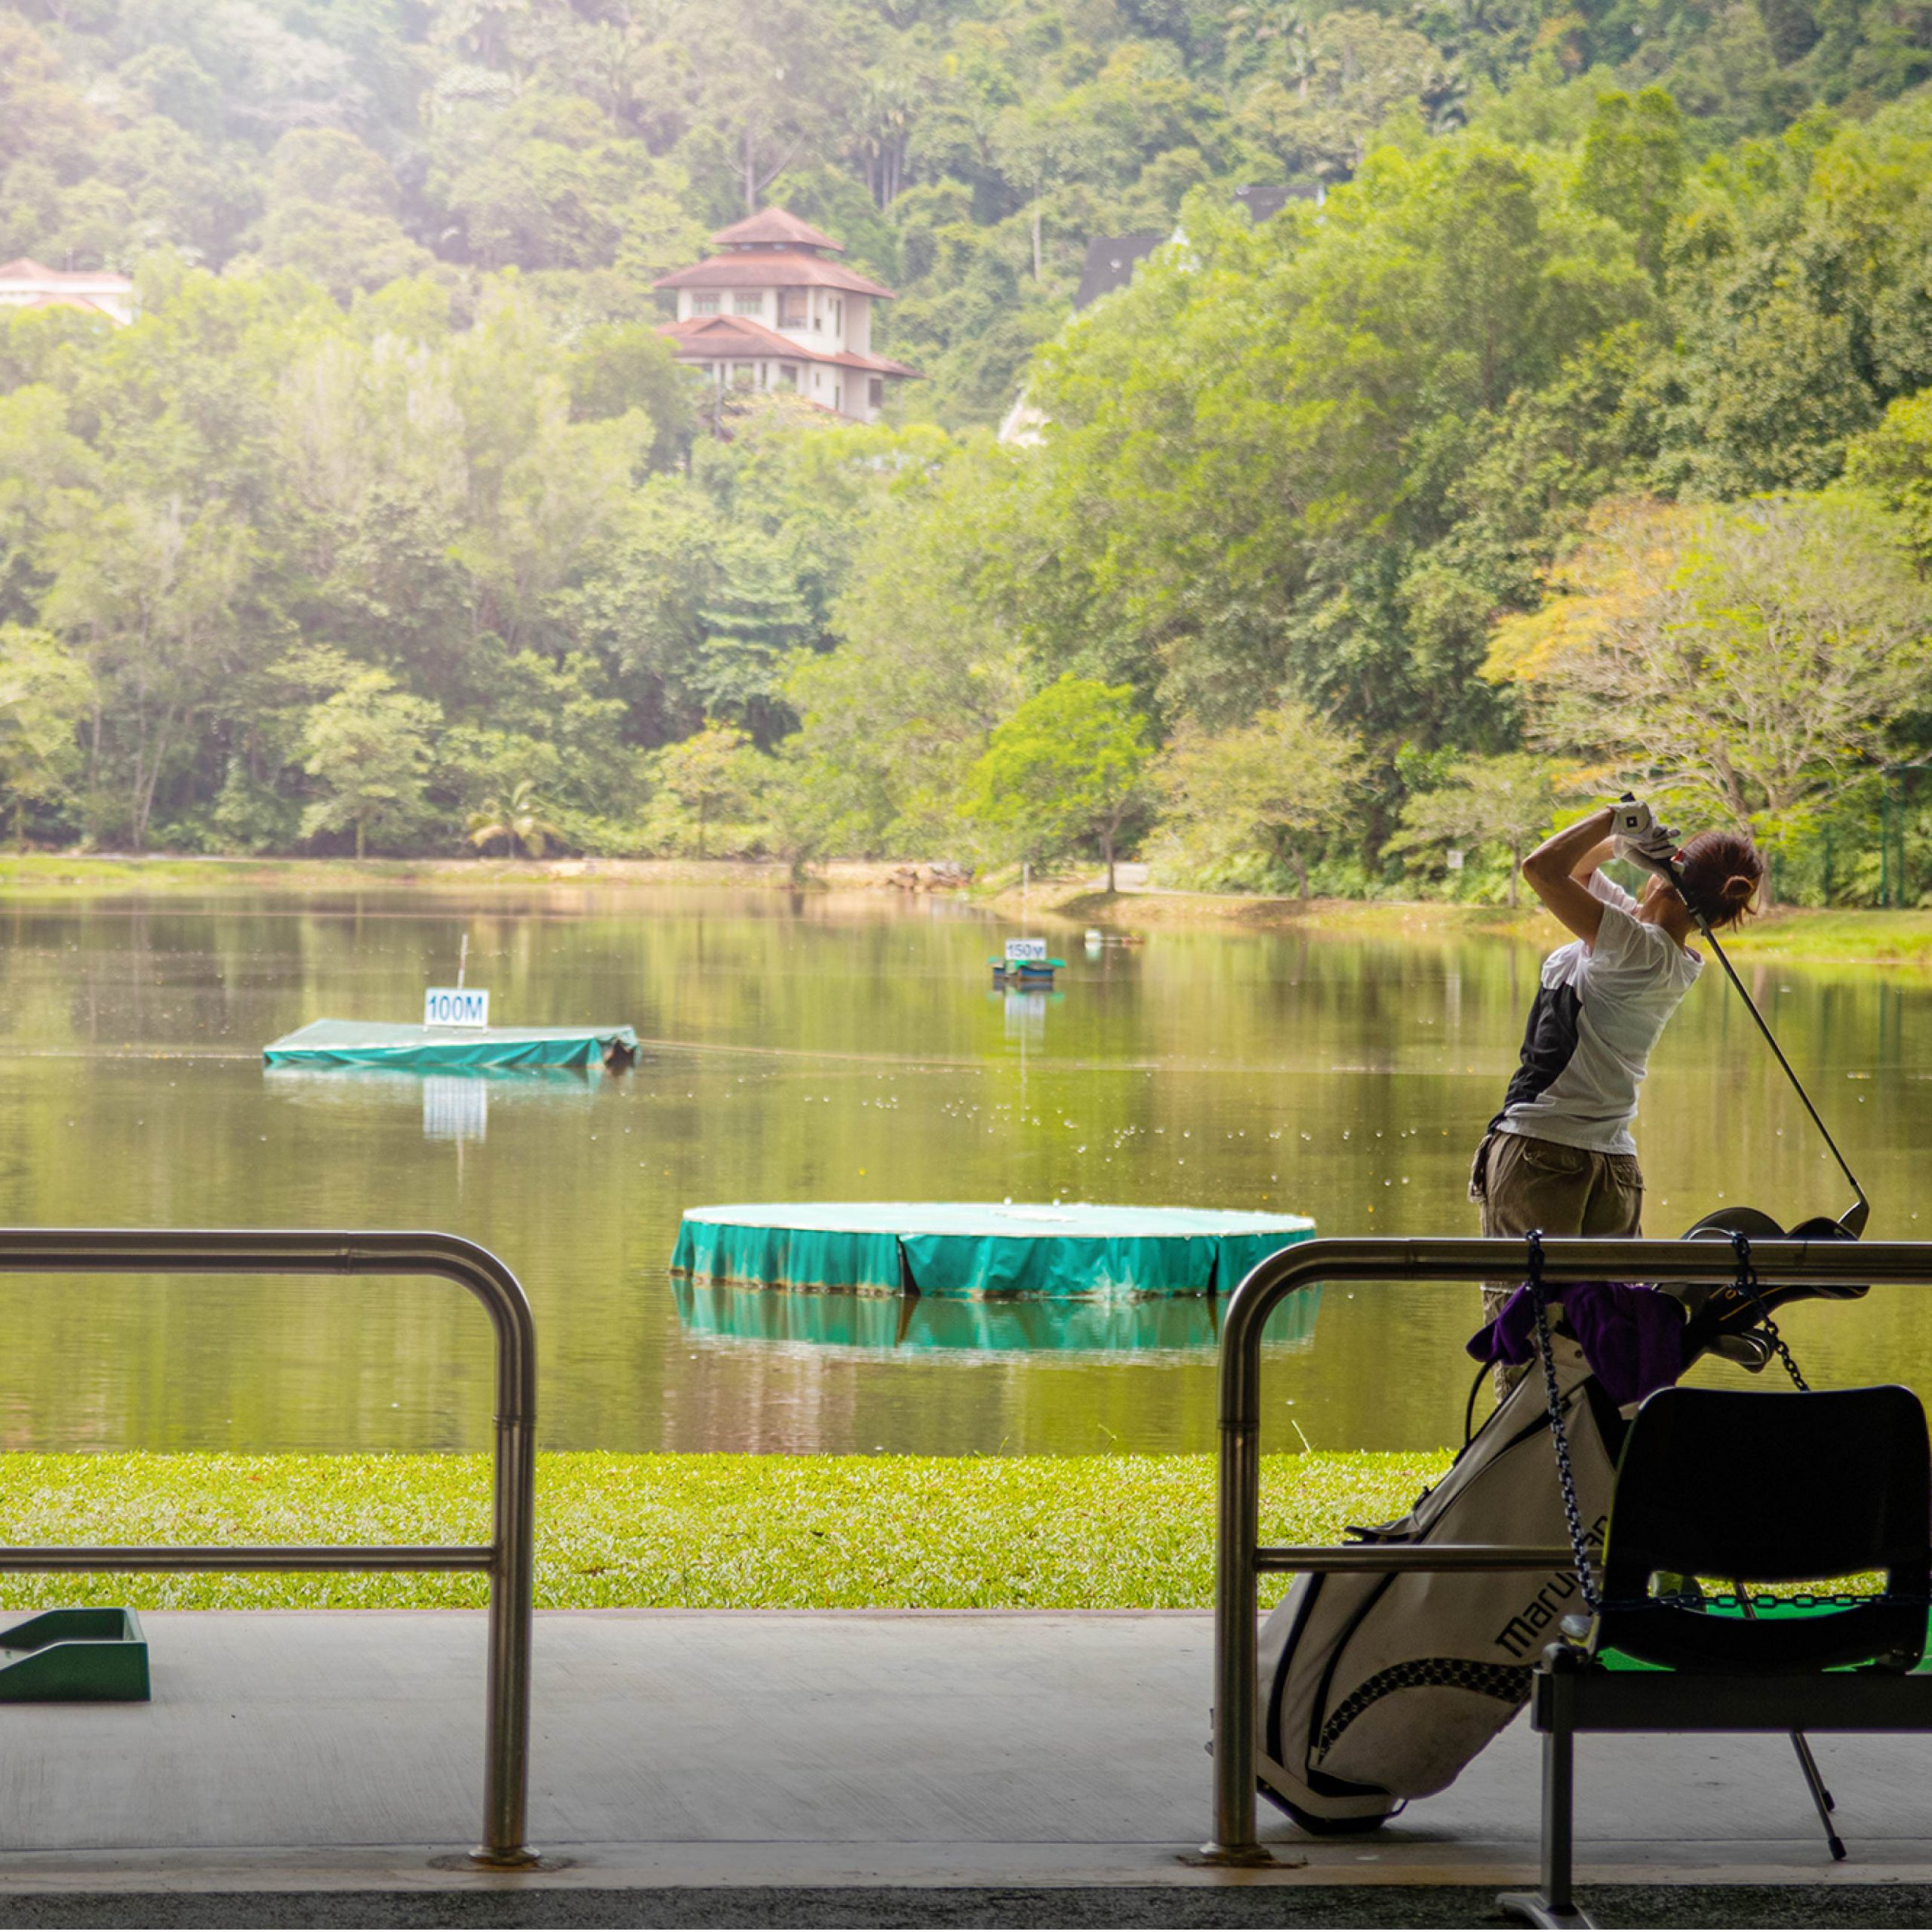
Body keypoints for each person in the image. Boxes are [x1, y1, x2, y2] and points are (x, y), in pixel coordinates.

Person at [1470, 801, 1764, 1370]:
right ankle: (1601, 1457)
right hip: (1613, 1166)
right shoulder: (1672, 955)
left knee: (1526, 1339)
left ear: (1668, 876)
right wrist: (1626, 847)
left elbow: (1541, 870)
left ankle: (1526, 1458)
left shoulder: (1632, 945)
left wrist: (1612, 820)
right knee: (1598, 1346)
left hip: (1542, 1152)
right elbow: (1580, 874)